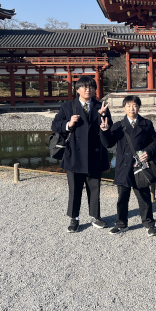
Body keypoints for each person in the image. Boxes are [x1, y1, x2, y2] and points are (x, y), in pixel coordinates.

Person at [51, 76, 111, 233]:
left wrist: (103, 117)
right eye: (84, 87)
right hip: (74, 155)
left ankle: (95, 216)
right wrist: (68, 124)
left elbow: (108, 128)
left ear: (95, 89)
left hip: (94, 154)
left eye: (91, 87)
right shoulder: (67, 106)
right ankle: (74, 218)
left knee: (94, 189)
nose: (88, 89)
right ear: (77, 89)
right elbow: (55, 125)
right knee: (74, 189)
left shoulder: (100, 106)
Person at [100, 95, 156, 237]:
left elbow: (155, 141)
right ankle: (121, 224)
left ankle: (149, 224)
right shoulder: (118, 126)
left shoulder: (146, 124)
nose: (132, 108)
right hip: (123, 166)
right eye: (128, 106)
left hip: (140, 166)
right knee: (122, 198)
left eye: (134, 105)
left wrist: (147, 152)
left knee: (144, 197)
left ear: (139, 107)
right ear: (124, 108)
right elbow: (108, 144)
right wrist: (105, 131)